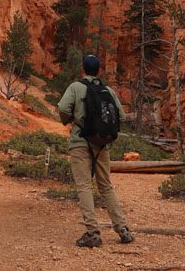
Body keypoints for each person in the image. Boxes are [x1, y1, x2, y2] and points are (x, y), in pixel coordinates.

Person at [57, 54, 134, 247]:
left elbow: (63, 109)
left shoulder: (75, 87)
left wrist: (71, 120)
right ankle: (123, 229)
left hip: (80, 141)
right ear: (99, 71)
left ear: (83, 70)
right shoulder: (107, 90)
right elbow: (121, 116)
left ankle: (92, 233)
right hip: (102, 144)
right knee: (106, 186)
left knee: (84, 186)